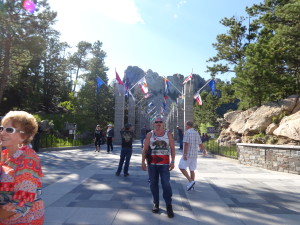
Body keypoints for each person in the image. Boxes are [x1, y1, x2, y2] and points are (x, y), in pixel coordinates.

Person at [0, 111, 44, 224]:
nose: (2, 133)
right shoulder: (4, 155)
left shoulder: (28, 160)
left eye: (9, 130)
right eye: (2, 128)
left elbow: (21, 204)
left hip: (24, 221)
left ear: (23, 136)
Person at [141, 116, 176, 218]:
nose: (159, 123)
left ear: (163, 123)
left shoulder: (168, 134)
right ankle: (156, 203)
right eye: (157, 122)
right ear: (154, 124)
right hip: (152, 164)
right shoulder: (149, 134)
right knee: (153, 184)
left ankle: (168, 205)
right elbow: (145, 149)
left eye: (160, 122)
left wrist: (173, 161)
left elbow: (173, 148)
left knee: (166, 184)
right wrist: (143, 162)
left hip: (164, 164)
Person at [178, 121, 207, 191]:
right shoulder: (196, 133)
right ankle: (192, 185)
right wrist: (203, 150)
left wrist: (184, 154)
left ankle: (191, 181)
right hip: (194, 154)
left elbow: (186, 144)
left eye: (186, 125)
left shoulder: (187, 133)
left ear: (188, 126)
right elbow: (200, 143)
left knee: (181, 167)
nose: (185, 127)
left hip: (188, 154)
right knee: (192, 169)